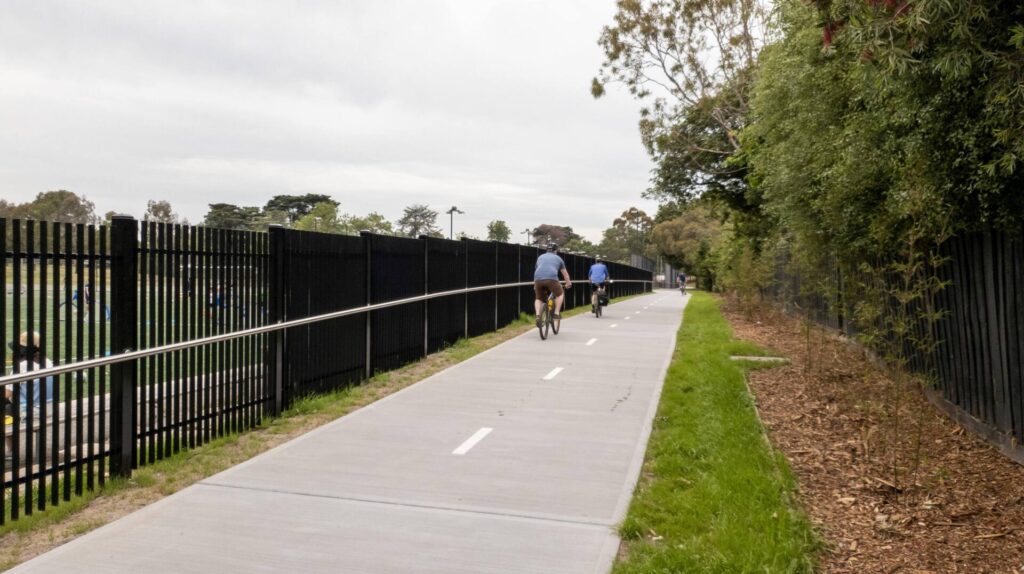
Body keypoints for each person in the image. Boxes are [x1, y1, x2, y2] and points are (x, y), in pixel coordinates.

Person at [4, 331, 55, 461]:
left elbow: (7, 394)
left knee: (5, 410)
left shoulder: (20, 366)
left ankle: (11, 451)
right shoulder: (47, 362)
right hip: (49, 408)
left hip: (31, 412)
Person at [533, 243, 572, 327]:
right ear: (555, 251)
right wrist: (568, 283)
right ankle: (556, 313)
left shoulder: (540, 257)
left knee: (538, 298)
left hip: (538, 279)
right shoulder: (558, 258)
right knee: (560, 294)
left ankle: (538, 316)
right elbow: (565, 274)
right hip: (551, 279)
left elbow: (537, 269)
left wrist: (535, 283)